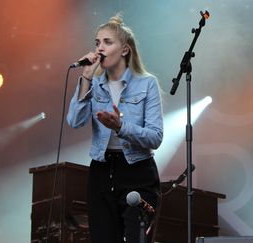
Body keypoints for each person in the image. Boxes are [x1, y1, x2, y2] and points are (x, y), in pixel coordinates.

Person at [67, 13, 163, 243]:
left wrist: (121, 126)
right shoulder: (95, 84)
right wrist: (86, 78)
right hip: (101, 171)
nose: (100, 48)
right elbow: (74, 121)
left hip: (137, 171)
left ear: (125, 50)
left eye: (107, 42)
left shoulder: (146, 83)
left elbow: (155, 137)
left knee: (136, 237)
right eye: (97, 43)